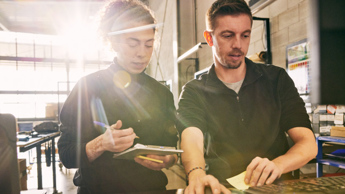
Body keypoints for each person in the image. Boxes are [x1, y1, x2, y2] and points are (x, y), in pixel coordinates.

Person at [176, 0, 317, 193]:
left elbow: (307, 143)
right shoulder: (194, 91)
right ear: (209, 38)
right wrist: (197, 174)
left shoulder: (276, 79)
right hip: (222, 188)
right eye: (228, 35)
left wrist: (278, 165)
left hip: (277, 186)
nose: (238, 45)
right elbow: (191, 138)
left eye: (245, 35)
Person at [58, 0, 179, 193]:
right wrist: (101, 144)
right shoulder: (87, 87)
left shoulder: (162, 94)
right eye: (133, 43)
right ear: (113, 41)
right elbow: (66, 154)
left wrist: (168, 159)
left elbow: (171, 147)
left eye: (149, 45)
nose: (142, 53)